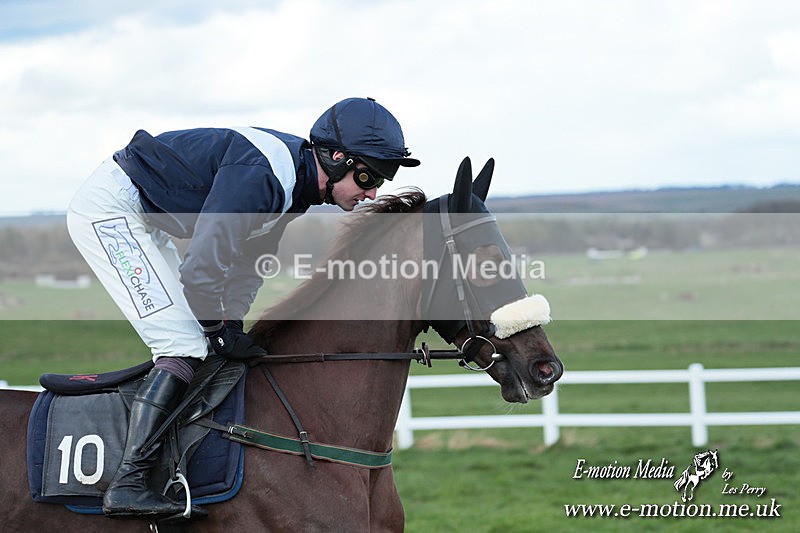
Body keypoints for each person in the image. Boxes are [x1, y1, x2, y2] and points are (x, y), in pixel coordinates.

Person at [66, 97, 420, 519]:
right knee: (182, 344)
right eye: (367, 176)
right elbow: (201, 268)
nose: (372, 192)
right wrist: (216, 328)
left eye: (381, 180)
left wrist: (231, 322)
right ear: (336, 157)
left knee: (199, 342)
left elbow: (248, 264)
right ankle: (129, 482)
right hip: (111, 211)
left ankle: (173, 464)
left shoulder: (295, 187)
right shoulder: (264, 175)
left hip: (146, 219)